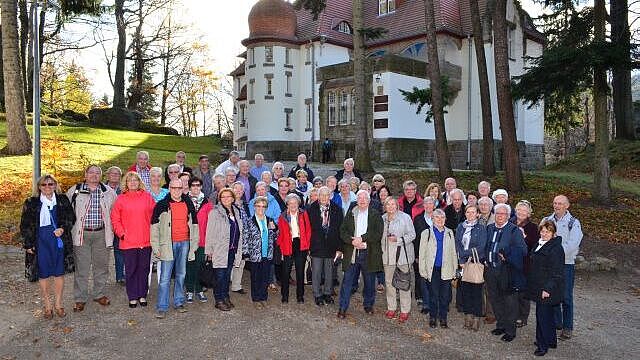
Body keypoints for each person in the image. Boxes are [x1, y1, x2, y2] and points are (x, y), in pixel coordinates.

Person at [20, 174, 75, 319]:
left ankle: (58, 304)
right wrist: (28, 244)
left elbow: (71, 217)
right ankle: (47, 305)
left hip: (58, 241)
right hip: (40, 241)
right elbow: (25, 225)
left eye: (51, 184)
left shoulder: (62, 200)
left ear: (55, 185)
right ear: (39, 187)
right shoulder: (31, 202)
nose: (47, 187)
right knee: (43, 273)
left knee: (59, 272)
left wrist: (62, 228)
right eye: (44, 185)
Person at [67, 165, 118, 312]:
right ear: (85, 174)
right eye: (91, 172)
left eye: (97, 173)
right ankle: (80, 298)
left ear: (101, 176)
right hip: (82, 234)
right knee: (82, 268)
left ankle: (99, 294)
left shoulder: (109, 192)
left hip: (102, 234)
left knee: (101, 267)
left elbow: (115, 213)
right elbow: (65, 211)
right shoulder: (74, 190)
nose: (94, 175)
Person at [151, 179, 199, 318]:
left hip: (184, 243)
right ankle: (162, 306)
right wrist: (156, 246)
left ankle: (179, 302)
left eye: (179, 188)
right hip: (167, 245)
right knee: (165, 277)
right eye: (174, 188)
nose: (177, 190)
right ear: (169, 188)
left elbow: (195, 225)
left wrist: (194, 245)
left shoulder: (188, 203)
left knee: (181, 274)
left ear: (183, 188)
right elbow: (154, 227)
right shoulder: (161, 205)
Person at [110, 171, 156, 308]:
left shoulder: (147, 197)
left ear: (139, 182)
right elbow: (115, 218)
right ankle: (132, 296)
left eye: (135, 180)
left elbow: (156, 215)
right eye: (130, 181)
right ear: (126, 183)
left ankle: (142, 295)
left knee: (144, 269)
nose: (133, 183)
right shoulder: (121, 199)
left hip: (145, 240)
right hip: (128, 241)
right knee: (131, 270)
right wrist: (121, 233)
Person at [337, 190, 383, 319]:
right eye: (359, 198)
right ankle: (342, 307)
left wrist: (362, 240)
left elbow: (377, 233)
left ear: (369, 200)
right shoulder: (351, 213)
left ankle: (368, 304)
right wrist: (352, 241)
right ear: (356, 200)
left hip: (369, 252)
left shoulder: (375, 214)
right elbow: (343, 231)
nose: (362, 200)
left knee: (369, 282)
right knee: (347, 282)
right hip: (352, 253)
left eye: (365, 198)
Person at [485, 203, 527, 342]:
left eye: (503, 214)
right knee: (495, 298)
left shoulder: (514, 230)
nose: (500, 216)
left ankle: (510, 330)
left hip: (506, 271)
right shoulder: (490, 228)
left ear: (508, 216)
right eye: (497, 213)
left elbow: (523, 250)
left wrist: (508, 255)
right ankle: (501, 324)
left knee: (509, 301)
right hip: (490, 269)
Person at [543, 195, 583, 341]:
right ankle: (556, 323)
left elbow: (573, 244)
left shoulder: (573, 223)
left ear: (567, 206)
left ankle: (567, 327)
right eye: (555, 203)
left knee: (566, 296)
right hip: (549, 265)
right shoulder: (547, 220)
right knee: (551, 294)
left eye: (560, 203)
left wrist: (554, 253)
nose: (557, 206)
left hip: (566, 264)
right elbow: (542, 238)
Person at [527, 220, 565, 357]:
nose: (544, 234)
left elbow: (557, 272)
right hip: (538, 285)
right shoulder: (539, 244)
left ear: (553, 233)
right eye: (542, 231)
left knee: (542, 316)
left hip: (547, 288)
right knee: (547, 316)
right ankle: (551, 341)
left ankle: (542, 345)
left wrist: (547, 289)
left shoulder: (556, 249)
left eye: (547, 231)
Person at [205, 188, 244, 311]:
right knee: (219, 276)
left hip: (232, 250)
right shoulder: (215, 212)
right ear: (219, 199)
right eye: (223, 197)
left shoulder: (237, 211)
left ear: (233, 198)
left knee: (227, 276)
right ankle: (219, 300)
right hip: (219, 250)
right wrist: (209, 251)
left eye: (228, 196)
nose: (226, 199)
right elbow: (209, 233)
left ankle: (225, 296)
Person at [418, 209, 457, 328]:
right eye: (437, 217)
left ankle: (443, 318)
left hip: (446, 269)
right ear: (432, 219)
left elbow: (453, 252)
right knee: (433, 295)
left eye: (442, 218)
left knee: (445, 296)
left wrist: (455, 269)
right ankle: (433, 317)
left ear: (445, 219)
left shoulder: (450, 232)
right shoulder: (426, 233)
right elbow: (422, 253)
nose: (440, 220)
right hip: (432, 269)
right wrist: (422, 270)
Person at [381, 197, 416, 322]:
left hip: (402, 256)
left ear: (397, 205)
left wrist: (399, 240)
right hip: (387, 256)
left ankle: (405, 309)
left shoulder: (405, 217)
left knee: (403, 283)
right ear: (385, 206)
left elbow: (412, 234)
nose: (390, 207)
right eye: (388, 204)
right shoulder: (383, 218)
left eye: (392, 204)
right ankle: (392, 307)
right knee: (389, 282)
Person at [307, 187, 343, 306]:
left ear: (330, 196)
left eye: (326, 195)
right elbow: (307, 229)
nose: (324, 197)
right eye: (321, 195)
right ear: (318, 196)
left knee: (329, 271)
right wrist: (308, 245)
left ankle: (327, 293)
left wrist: (339, 248)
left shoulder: (337, 209)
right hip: (316, 245)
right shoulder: (311, 209)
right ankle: (317, 294)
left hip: (331, 245)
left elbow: (340, 230)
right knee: (316, 271)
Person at [455, 204, 487, 331]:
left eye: (473, 212)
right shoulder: (461, 226)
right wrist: (461, 259)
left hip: (475, 262)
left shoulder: (481, 228)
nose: (470, 214)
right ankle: (468, 315)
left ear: (477, 214)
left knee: (476, 291)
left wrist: (464, 254)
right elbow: (457, 243)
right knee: (465, 290)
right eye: (468, 212)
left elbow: (481, 246)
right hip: (463, 263)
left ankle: (477, 317)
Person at [242, 196, 278, 308]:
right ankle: (256, 298)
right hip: (255, 254)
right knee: (255, 277)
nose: (261, 208)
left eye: (263, 206)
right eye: (258, 206)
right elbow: (245, 237)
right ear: (254, 207)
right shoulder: (249, 221)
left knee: (265, 277)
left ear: (266, 208)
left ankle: (263, 297)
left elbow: (275, 237)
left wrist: (275, 229)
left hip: (267, 254)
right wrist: (245, 252)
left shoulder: (270, 220)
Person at [276, 194, 311, 303]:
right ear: (287, 204)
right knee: (286, 272)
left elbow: (308, 230)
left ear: (298, 203)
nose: (293, 205)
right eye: (290, 203)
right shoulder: (282, 216)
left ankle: (300, 296)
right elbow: (280, 234)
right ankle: (284, 296)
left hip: (301, 244)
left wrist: (307, 245)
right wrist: (281, 248)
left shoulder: (303, 213)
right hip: (288, 244)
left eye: (295, 203)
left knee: (300, 272)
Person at [512, 200, 540, 328]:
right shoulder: (510, 222)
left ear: (529, 213)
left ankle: (522, 316)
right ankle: (512, 313)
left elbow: (534, 245)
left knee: (522, 291)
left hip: (524, 262)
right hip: (509, 260)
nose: (521, 212)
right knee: (511, 288)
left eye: (524, 211)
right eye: (519, 210)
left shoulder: (533, 227)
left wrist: (524, 237)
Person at [185, 177, 210, 304]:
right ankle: (189, 290)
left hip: (202, 240)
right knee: (189, 265)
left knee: (199, 265)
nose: (196, 187)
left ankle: (199, 289)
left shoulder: (207, 202)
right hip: (187, 239)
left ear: (201, 186)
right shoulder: (184, 200)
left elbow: (210, 223)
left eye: (198, 185)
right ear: (189, 187)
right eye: (193, 185)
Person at [413, 196, 437, 313]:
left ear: (434, 205)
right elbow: (415, 238)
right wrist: (417, 255)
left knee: (435, 279)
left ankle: (435, 302)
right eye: (426, 204)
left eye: (430, 204)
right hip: (421, 254)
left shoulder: (439, 218)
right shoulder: (418, 219)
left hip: (436, 254)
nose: (428, 206)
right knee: (423, 278)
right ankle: (426, 304)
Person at [105, 166, 124, 285]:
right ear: (107, 175)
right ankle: (102, 278)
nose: (115, 176)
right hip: (105, 224)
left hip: (119, 224)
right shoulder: (102, 188)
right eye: (112, 174)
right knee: (103, 252)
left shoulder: (123, 190)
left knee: (119, 251)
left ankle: (120, 276)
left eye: (117, 174)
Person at [230, 182, 251, 296]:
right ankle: (228, 280)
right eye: (236, 189)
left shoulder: (245, 205)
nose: (238, 191)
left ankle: (236, 285)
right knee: (231, 261)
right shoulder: (228, 204)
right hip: (232, 238)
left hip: (244, 238)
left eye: (240, 189)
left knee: (241, 262)